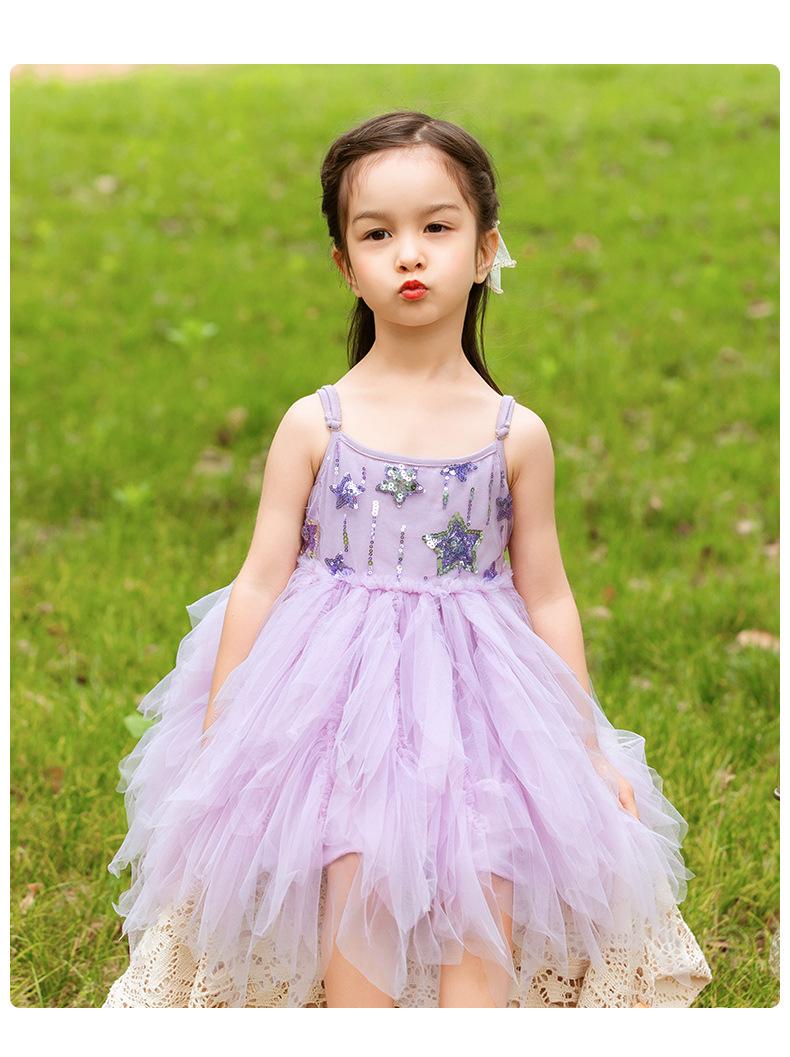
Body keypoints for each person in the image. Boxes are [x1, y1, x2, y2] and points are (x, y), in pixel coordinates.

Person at [103, 109, 712, 1008]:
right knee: (356, 863)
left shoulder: (515, 434)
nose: (410, 254)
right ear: (346, 266)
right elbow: (261, 578)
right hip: (336, 701)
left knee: (487, 865)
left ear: (486, 248)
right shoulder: (317, 423)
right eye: (378, 234)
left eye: (437, 226)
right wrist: (222, 728)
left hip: (479, 704)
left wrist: (585, 745)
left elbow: (547, 594)